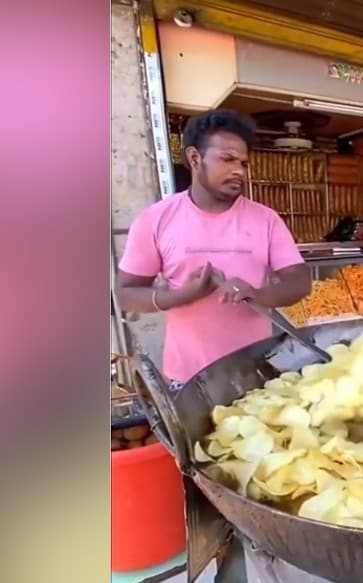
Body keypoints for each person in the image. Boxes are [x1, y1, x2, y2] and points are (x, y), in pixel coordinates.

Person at [116, 110, 311, 387]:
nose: (239, 171)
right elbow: (126, 294)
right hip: (189, 380)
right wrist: (185, 295)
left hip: (256, 374)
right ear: (195, 158)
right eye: (227, 159)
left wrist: (257, 294)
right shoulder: (155, 220)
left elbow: (300, 281)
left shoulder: (265, 219)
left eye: (243, 163)